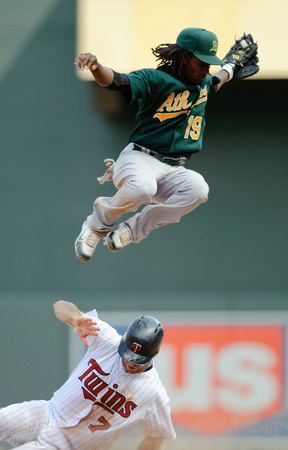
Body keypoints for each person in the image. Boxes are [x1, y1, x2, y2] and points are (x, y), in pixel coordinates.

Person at [74, 27, 235, 262]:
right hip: (139, 159)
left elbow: (218, 80)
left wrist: (231, 66)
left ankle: (131, 230)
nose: (205, 70)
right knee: (142, 189)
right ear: (183, 57)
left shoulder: (204, 81)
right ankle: (95, 227)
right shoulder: (155, 79)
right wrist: (96, 67)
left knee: (198, 190)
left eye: (208, 64)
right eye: (200, 63)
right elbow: (118, 82)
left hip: (173, 168)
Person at [0, 301, 176, 449]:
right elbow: (60, 306)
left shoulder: (153, 392)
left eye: (138, 359)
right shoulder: (108, 340)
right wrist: (76, 319)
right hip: (47, 413)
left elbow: (158, 436)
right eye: (128, 353)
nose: (131, 362)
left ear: (156, 352)